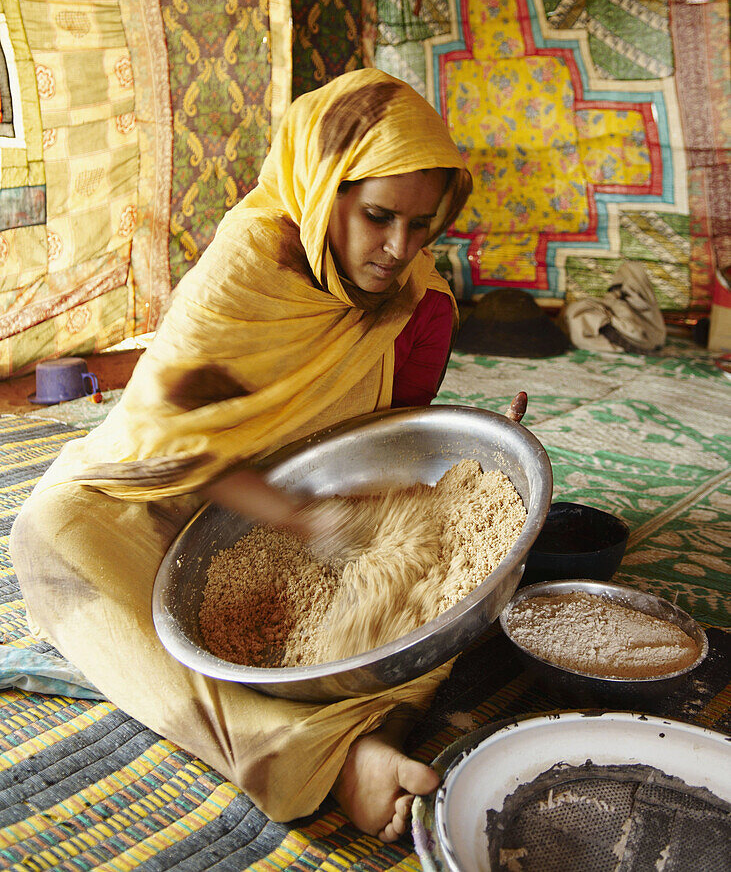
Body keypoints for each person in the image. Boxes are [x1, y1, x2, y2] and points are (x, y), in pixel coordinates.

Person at [10, 68, 472, 842]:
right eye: (379, 217)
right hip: (175, 496)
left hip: (314, 498)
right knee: (50, 537)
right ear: (324, 190)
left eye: (422, 225)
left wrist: (354, 514)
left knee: (456, 549)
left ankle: (364, 727)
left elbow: (388, 435)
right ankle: (316, 749)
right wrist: (298, 518)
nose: (399, 249)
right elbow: (167, 432)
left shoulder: (414, 304)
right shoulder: (248, 268)